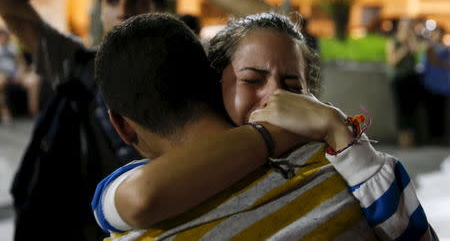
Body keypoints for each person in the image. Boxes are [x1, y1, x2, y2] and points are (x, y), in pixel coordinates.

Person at [0, 0, 271, 241]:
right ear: (100, 6)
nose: (123, 10)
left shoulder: (194, 66)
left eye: (136, 0)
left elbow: (269, 24)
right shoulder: (74, 64)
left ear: (158, 8)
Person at [93, 13, 435, 240]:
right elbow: (139, 198)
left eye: (293, 87)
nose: (275, 96)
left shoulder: (347, 166)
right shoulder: (154, 184)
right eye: (253, 79)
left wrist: (338, 132)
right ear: (216, 85)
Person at [386, 18, 422, 148]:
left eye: (409, 26)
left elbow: (416, 51)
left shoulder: (412, 40)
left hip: (412, 79)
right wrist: (404, 49)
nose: (407, 28)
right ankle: (403, 141)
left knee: (411, 110)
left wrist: (411, 39)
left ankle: (411, 141)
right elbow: (392, 61)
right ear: (400, 26)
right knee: (401, 110)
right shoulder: (394, 41)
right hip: (399, 79)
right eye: (405, 26)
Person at [421, 27, 450, 144]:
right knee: (432, 112)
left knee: (441, 113)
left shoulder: (444, 49)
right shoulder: (430, 48)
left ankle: (440, 137)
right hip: (430, 85)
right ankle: (433, 137)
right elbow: (434, 61)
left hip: (442, 86)